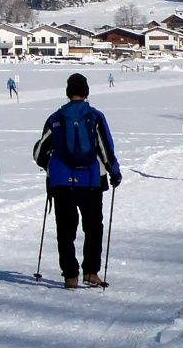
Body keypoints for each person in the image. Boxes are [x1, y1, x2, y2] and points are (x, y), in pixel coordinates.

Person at [33, 72, 121, 289]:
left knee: (65, 229)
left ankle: (70, 275)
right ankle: (91, 272)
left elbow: (39, 152)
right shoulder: (95, 116)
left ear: (68, 92)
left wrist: (51, 168)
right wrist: (114, 171)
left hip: (62, 181)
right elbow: (105, 147)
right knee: (93, 227)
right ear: (86, 92)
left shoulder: (56, 117)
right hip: (91, 180)